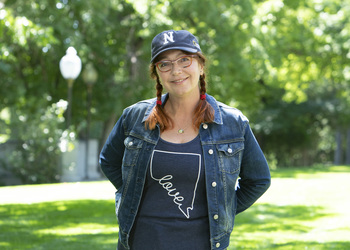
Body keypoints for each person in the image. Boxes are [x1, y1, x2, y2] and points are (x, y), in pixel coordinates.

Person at [99, 29, 271, 250]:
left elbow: (258, 180)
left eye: (184, 60)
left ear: (200, 66)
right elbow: (109, 161)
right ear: (157, 74)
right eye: (165, 64)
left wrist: (219, 207)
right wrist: (133, 194)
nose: (176, 70)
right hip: (140, 242)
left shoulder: (232, 122)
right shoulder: (134, 117)